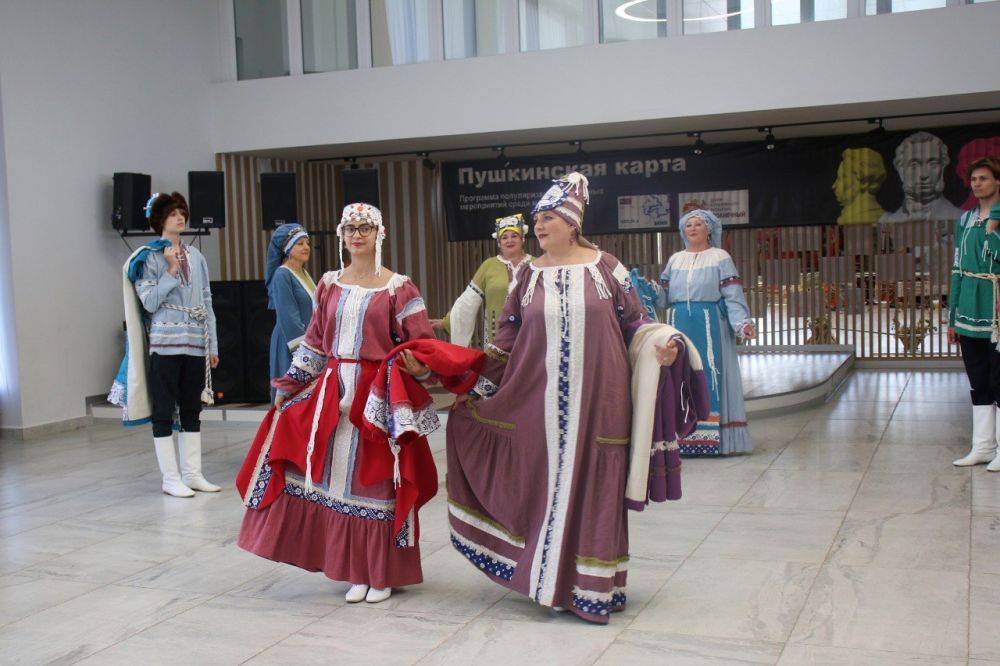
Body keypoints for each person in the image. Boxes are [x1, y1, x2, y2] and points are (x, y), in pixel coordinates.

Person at [445, 173, 708, 624]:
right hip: (536, 407)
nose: (539, 227)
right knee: (542, 486)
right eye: (536, 220)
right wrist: (468, 376)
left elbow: (637, 323)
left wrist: (662, 347)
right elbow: (505, 341)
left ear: (571, 222)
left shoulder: (607, 268)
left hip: (602, 404)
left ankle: (592, 588)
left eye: (547, 218)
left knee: (596, 486)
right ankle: (546, 580)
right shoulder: (526, 275)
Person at [236, 203, 437, 604]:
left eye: (364, 228)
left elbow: (422, 344)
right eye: (349, 229)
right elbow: (313, 342)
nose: (356, 235)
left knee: (375, 478)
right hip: (332, 392)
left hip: (376, 393)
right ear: (342, 236)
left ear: (380, 233)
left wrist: (419, 368)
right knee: (334, 479)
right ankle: (354, 571)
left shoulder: (399, 287)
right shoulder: (329, 284)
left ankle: (379, 572)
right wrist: (290, 383)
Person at [132, 192, 220, 497]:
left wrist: (213, 346)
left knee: (192, 409)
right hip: (165, 345)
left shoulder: (197, 256)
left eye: (182, 212)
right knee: (164, 410)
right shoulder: (148, 257)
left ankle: (192, 473)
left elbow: (207, 300)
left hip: (195, 344)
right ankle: (170, 478)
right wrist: (169, 270)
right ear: (160, 220)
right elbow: (150, 302)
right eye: (173, 214)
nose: (180, 218)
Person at [658, 209, 755, 455]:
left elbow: (732, 296)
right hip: (678, 323)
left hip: (709, 324)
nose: (692, 228)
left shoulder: (720, 257)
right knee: (680, 376)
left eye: (698, 224)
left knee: (709, 375)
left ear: (709, 229)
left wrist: (742, 323)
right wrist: (642, 289)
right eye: (688, 225)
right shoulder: (675, 259)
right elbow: (663, 298)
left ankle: (712, 440)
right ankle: (681, 439)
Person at [949, 157, 1000, 472]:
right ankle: (982, 447)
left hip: (996, 308)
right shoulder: (965, 220)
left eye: (983, 178)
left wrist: (994, 226)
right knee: (978, 379)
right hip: (969, 307)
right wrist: (952, 315)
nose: (977, 183)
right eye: (974, 179)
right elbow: (957, 267)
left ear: (997, 182)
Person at [434, 213, 533, 348]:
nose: (509, 240)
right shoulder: (489, 266)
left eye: (514, 236)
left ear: (523, 238)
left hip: (529, 336)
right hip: (497, 338)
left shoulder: (536, 265)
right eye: (504, 237)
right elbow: (469, 300)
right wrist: (448, 321)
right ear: (499, 242)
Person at [265, 223, 315, 404]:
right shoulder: (282, 275)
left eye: (307, 243)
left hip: (308, 343)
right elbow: (289, 318)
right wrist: (301, 355)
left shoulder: (303, 273)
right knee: (291, 399)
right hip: (291, 343)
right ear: (288, 249)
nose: (306, 247)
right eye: (300, 243)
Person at [879, 131, 962, 224]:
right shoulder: (887, 222)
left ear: (942, 169)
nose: (924, 175)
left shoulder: (961, 219)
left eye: (932, 164)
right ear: (901, 171)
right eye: (914, 165)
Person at [833, 147, 888, 226]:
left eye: (842, 177)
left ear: (864, 182)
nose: (834, 186)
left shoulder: (879, 219)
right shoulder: (847, 218)